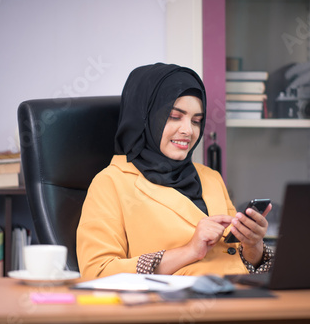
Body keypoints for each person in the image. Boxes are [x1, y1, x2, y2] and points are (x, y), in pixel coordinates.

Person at [77, 63, 274, 278]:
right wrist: (189, 251)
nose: (188, 131)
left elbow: (237, 259)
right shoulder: (111, 183)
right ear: (145, 117)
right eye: (174, 116)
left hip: (241, 298)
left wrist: (253, 245)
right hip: (174, 306)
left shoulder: (211, 178)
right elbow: (97, 273)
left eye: (197, 121)